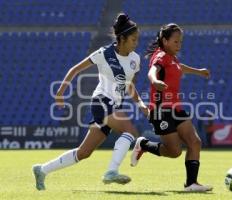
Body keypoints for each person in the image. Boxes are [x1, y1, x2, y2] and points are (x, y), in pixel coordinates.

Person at [32, 13, 149, 190]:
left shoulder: (135, 59)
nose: (136, 43)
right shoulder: (104, 53)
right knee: (130, 130)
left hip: (113, 106)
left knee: (83, 153)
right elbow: (75, 70)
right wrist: (60, 92)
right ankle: (111, 171)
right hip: (101, 101)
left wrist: (140, 103)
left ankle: (41, 170)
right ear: (122, 38)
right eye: (133, 39)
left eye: (137, 39)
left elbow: (130, 86)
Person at [130, 23, 213, 192]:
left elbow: (179, 68)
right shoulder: (159, 56)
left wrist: (199, 71)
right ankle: (144, 145)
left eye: (180, 42)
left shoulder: (172, 58)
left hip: (177, 109)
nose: (179, 45)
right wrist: (154, 81)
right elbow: (152, 71)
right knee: (175, 152)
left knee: (195, 142)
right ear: (165, 41)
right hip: (161, 111)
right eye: (176, 42)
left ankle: (191, 184)